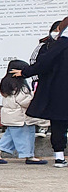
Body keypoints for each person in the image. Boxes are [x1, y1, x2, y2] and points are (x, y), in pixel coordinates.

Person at [12, 16, 68, 167]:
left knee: (59, 124)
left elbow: (43, 63)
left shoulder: (60, 45)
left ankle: (59, 157)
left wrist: (25, 72)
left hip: (60, 91)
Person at [0, 59, 47, 164]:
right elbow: (24, 101)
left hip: (12, 117)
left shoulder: (6, 83)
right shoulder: (20, 86)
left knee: (10, 136)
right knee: (26, 136)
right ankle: (29, 156)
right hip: (21, 117)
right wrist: (34, 97)